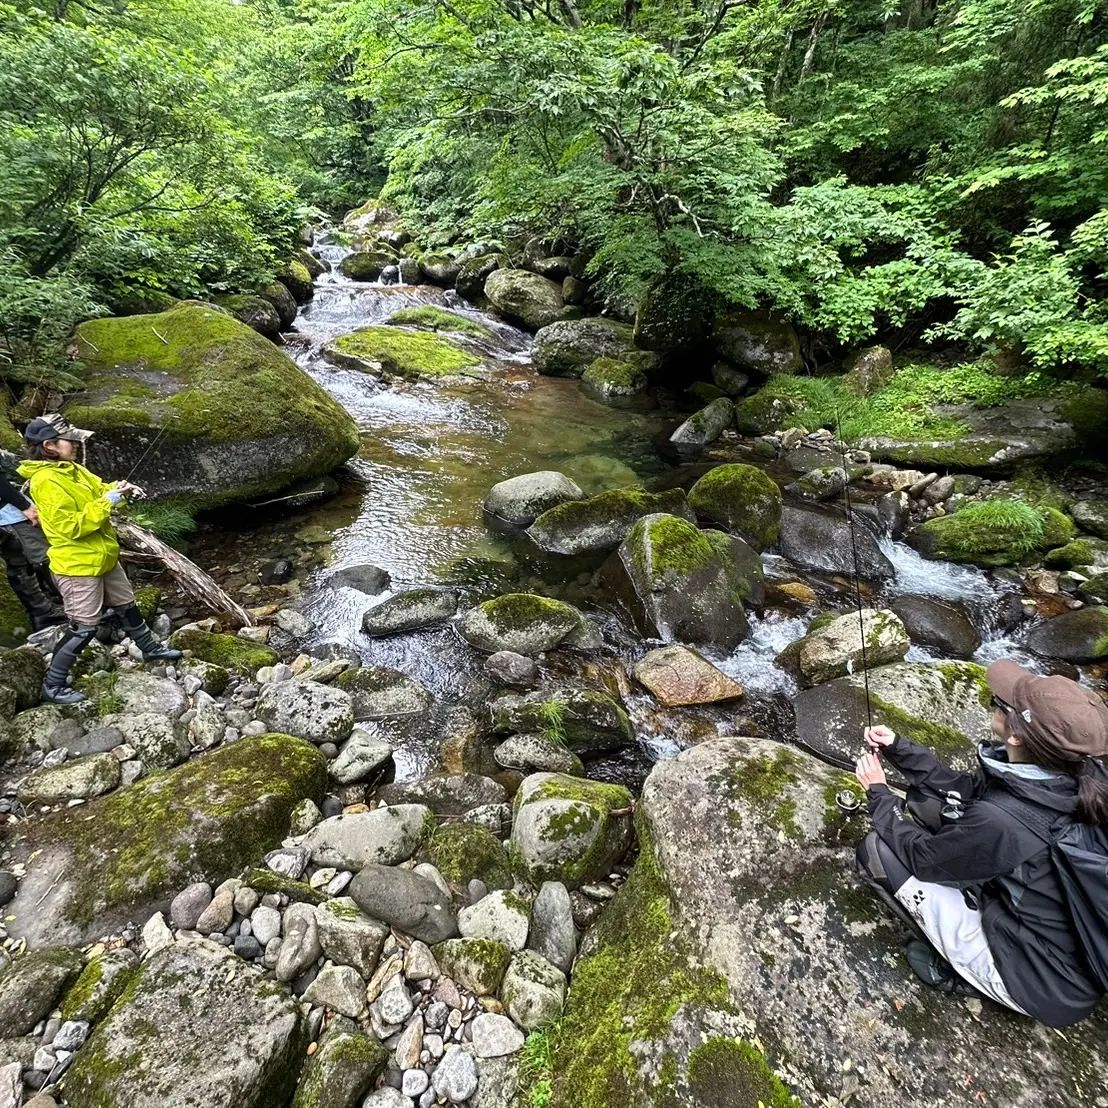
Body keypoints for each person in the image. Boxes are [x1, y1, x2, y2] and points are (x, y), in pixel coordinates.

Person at [853, 659, 1108, 1027]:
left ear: (1017, 736)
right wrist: (899, 749)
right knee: (928, 805)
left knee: (878, 852)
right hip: (1058, 939)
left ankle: (961, 972)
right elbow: (971, 791)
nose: (993, 703)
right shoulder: (1073, 774)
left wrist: (879, 795)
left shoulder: (1005, 819)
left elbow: (924, 859)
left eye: (999, 704)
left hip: (1044, 981)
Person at [18, 414, 180, 705]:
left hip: (103, 556)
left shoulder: (72, 470)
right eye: (71, 440)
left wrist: (122, 490)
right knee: (84, 626)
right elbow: (70, 526)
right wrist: (109, 502)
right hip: (78, 566)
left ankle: (150, 648)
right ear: (50, 446)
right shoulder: (46, 481)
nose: (77, 443)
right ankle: (53, 684)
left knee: (126, 604)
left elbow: (101, 489)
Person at [0, 454, 66, 631]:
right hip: (7, 513)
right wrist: (25, 506)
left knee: (17, 559)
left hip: (6, 512)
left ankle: (44, 611)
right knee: (43, 556)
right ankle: (49, 611)